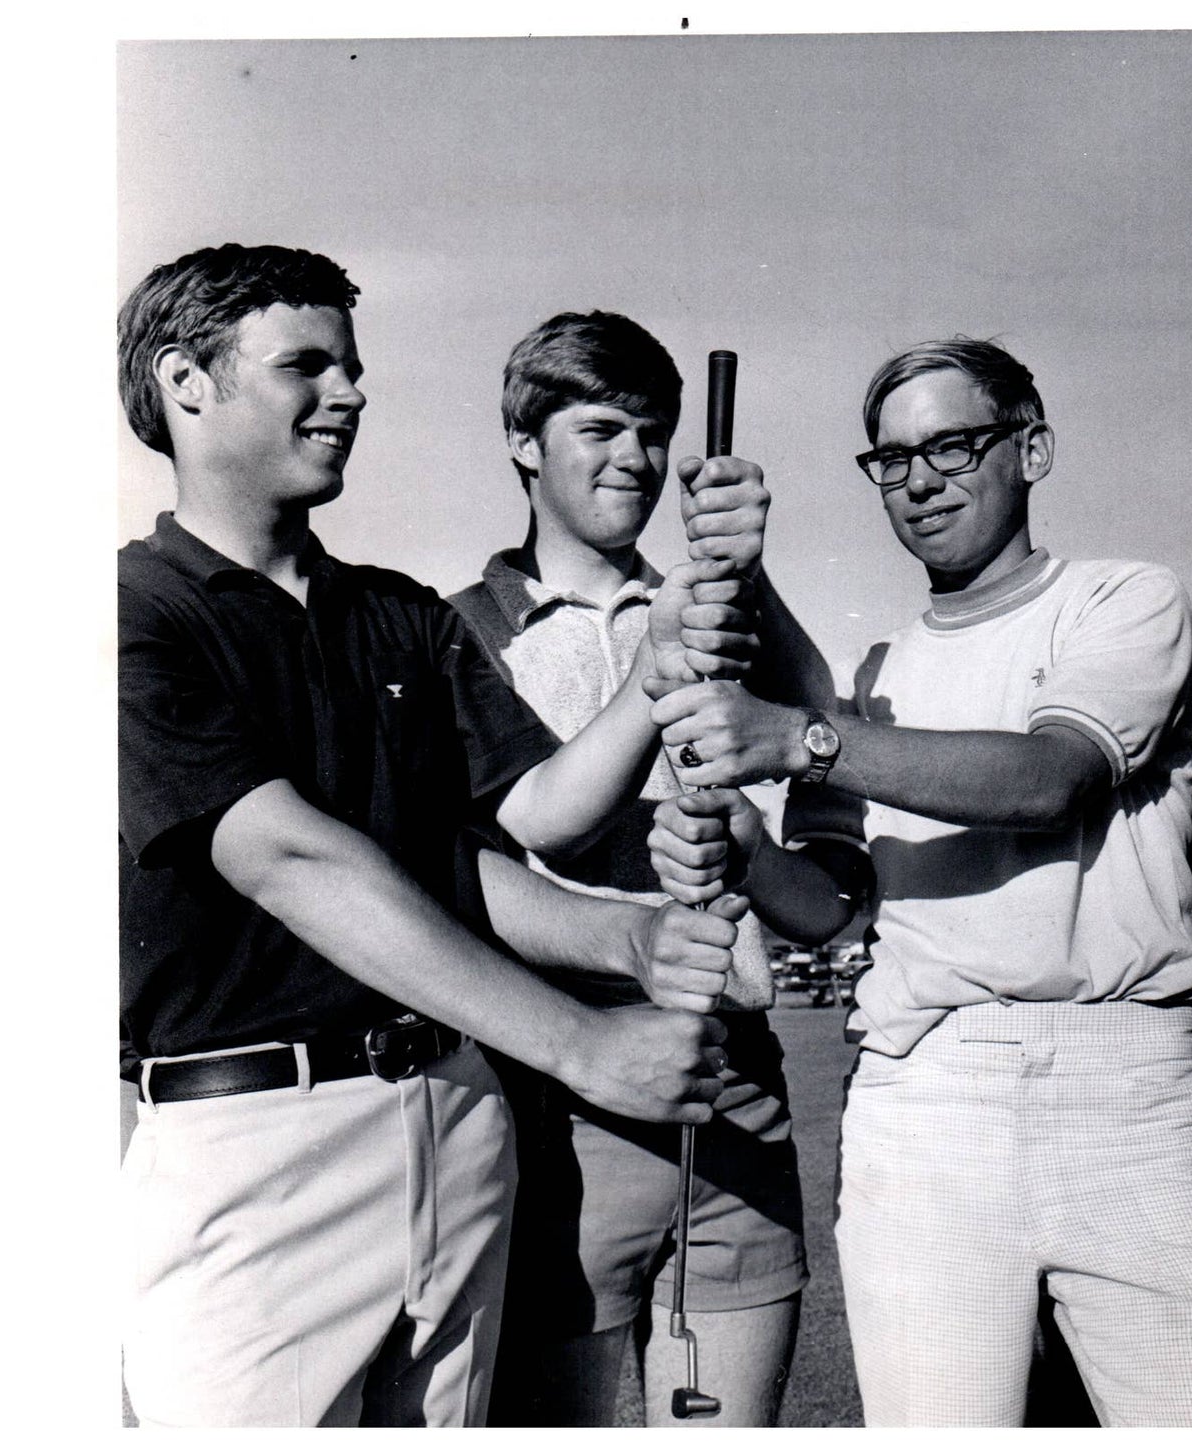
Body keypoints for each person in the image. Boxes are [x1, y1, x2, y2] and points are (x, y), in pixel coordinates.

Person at [117, 244, 742, 1428]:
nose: (350, 393)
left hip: (457, 1125)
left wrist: (632, 936)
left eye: (352, 367)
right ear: (185, 382)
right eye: (307, 365)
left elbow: (501, 837)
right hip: (253, 1156)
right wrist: (577, 1043)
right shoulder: (126, 613)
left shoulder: (396, 612)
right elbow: (290, 860)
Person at [644, 337, 1192, 1427]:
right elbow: (835, 906)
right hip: (920, 1095)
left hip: (1125, 1087)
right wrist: (747, 851)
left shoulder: (1120, 600)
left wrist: (795, 737)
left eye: (951, 444)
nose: (920, 479)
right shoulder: (879, 677)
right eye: (890, 460)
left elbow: (1047, 779)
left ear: (1029, 447)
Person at [447, 311, 861, 1427]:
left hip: (735, 1083)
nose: (633, 456)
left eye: (653, 431)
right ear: (523, 441)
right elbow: (533, 835)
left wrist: (741, 571)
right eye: (599, 428)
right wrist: (657, 654)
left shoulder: (710, 604)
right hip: (553, 1091)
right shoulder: (456, 631)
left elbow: (824, 720)